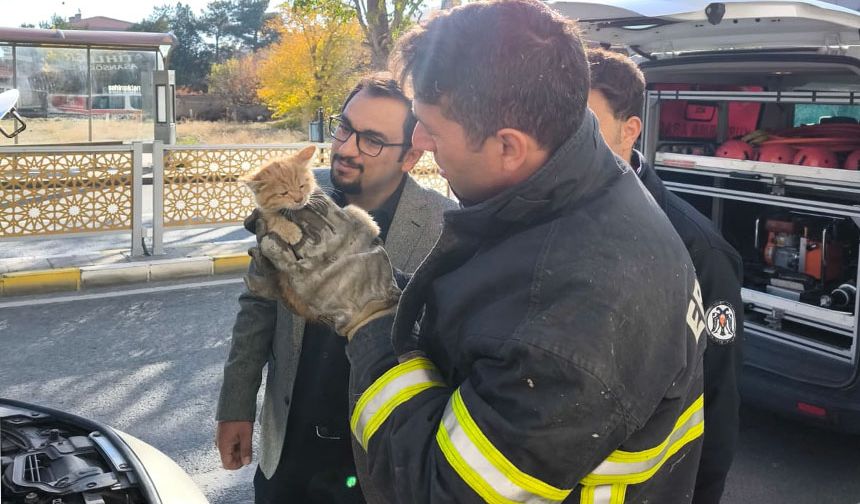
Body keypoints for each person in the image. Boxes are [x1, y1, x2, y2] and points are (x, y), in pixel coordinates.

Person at [255, 1, 709, 502]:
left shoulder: (580, 314)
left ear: (509, 145)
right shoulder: (580, 187)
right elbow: (488, 323)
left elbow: (437, 490)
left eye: (432, 127)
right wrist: (379, 281)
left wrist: (368, 319)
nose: (420, 143)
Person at [215, 73, 456, 504]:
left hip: (378, 465)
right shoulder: (293, 193)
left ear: (411, 155)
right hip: (287, 451)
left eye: (372, 140)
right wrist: (235, 406)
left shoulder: (444, 227)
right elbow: (257, 303)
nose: (344, 148)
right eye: (344, 127)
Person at [587, 47, 744, 504]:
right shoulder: (550, 221)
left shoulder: (699, 248)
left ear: (629, 130)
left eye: (584, 126)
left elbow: (717, 400)